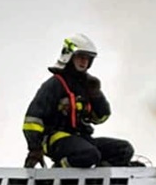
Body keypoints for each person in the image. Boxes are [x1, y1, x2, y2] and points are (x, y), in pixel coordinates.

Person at [22, 34, 135, 168]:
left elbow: (101, 117)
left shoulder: (87, 85)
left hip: (82, 139)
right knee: (89, 155)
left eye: (87, 58)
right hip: (56, 138)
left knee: (124, 150)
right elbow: (32, 120)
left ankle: (97, 171)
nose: (84, 61)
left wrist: (96, 95)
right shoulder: (54, 84)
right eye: (80, 57)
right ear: (69, 56)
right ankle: (59, 169)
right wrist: (35, 149)